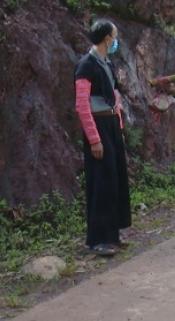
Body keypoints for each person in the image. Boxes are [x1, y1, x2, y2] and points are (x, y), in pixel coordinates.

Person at [74, 18, 131, 256]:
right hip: (97, 126)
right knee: (101, 181)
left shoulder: (107, 64)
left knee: (114, 178)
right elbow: (81, 105)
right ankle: (97, 240)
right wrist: (94, 138)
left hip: (110, 126)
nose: (115, 40)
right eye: (114, 36)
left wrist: (118, 127)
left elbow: (114, 98)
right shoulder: (86, 65)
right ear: (107, 39)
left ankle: (112, 235)